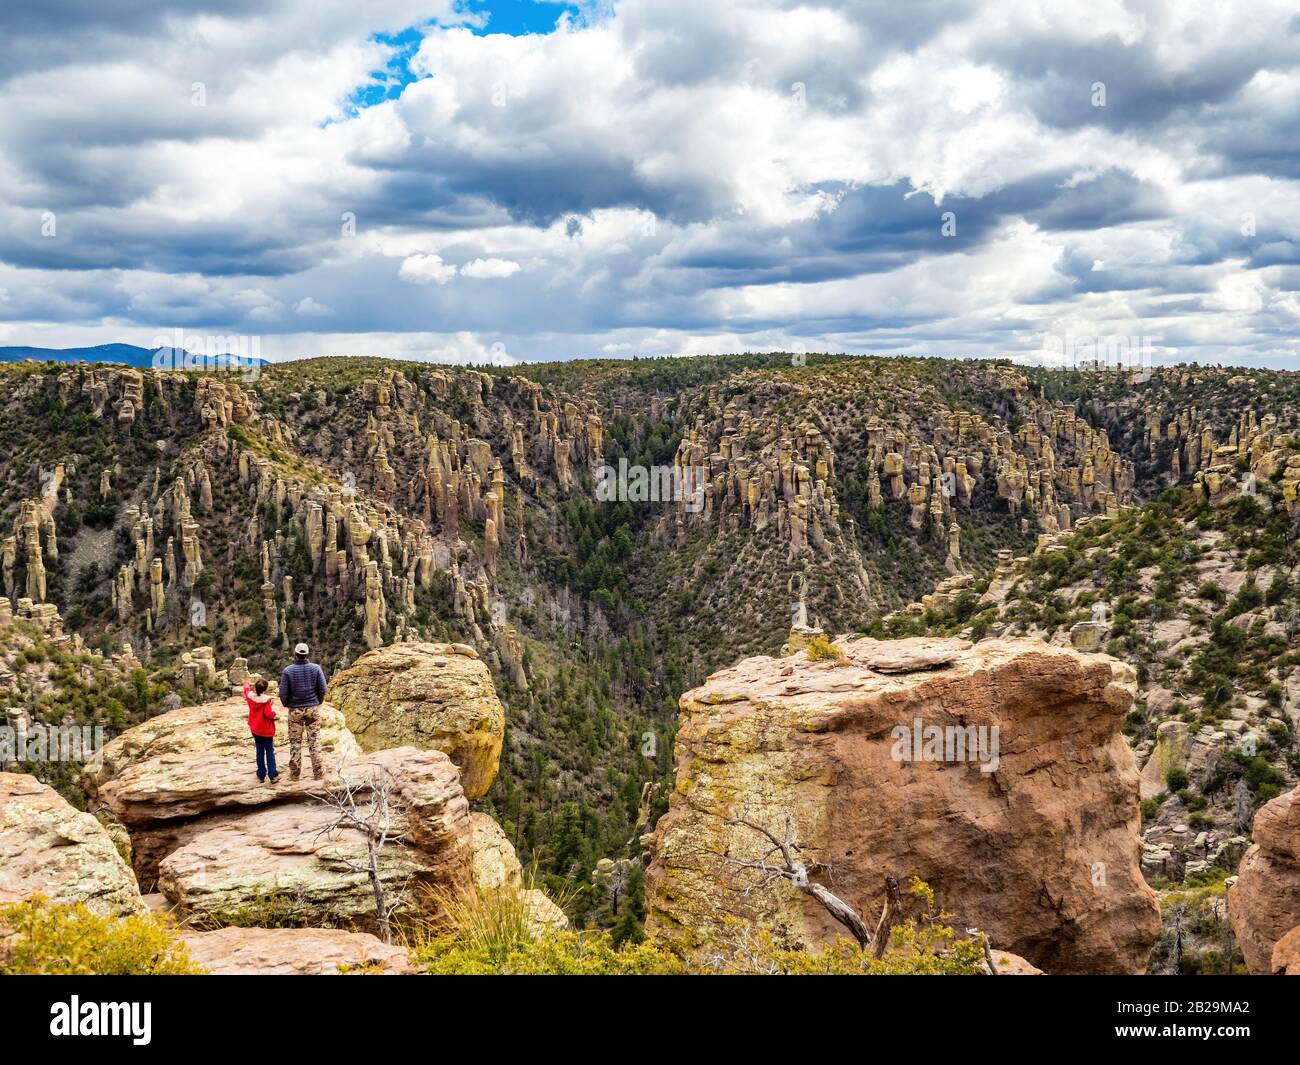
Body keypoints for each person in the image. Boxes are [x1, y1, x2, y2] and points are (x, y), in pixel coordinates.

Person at [278, 641, 328, 781]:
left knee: (295, 743)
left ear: (295, 655)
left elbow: (283, 694)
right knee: (314, 741)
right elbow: (323, 689)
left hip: (295, 711)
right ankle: (318, 773)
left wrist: (288, 704)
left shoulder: (288, 671)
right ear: (307, 655)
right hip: (312, 709)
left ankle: (295, 775)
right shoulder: (316, 668)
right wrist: (317, 702)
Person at [243, 676, 279, 784]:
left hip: (255, 728)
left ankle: (261, 774)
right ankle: (272, 775)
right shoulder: (266, 700)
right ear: (265, 689)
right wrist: (274, 714)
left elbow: (246, 690)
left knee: (259, 750)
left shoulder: (250, 697)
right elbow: (268, 714)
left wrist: (246, 683)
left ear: (255, 687)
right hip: (266, 730)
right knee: (269, 751)